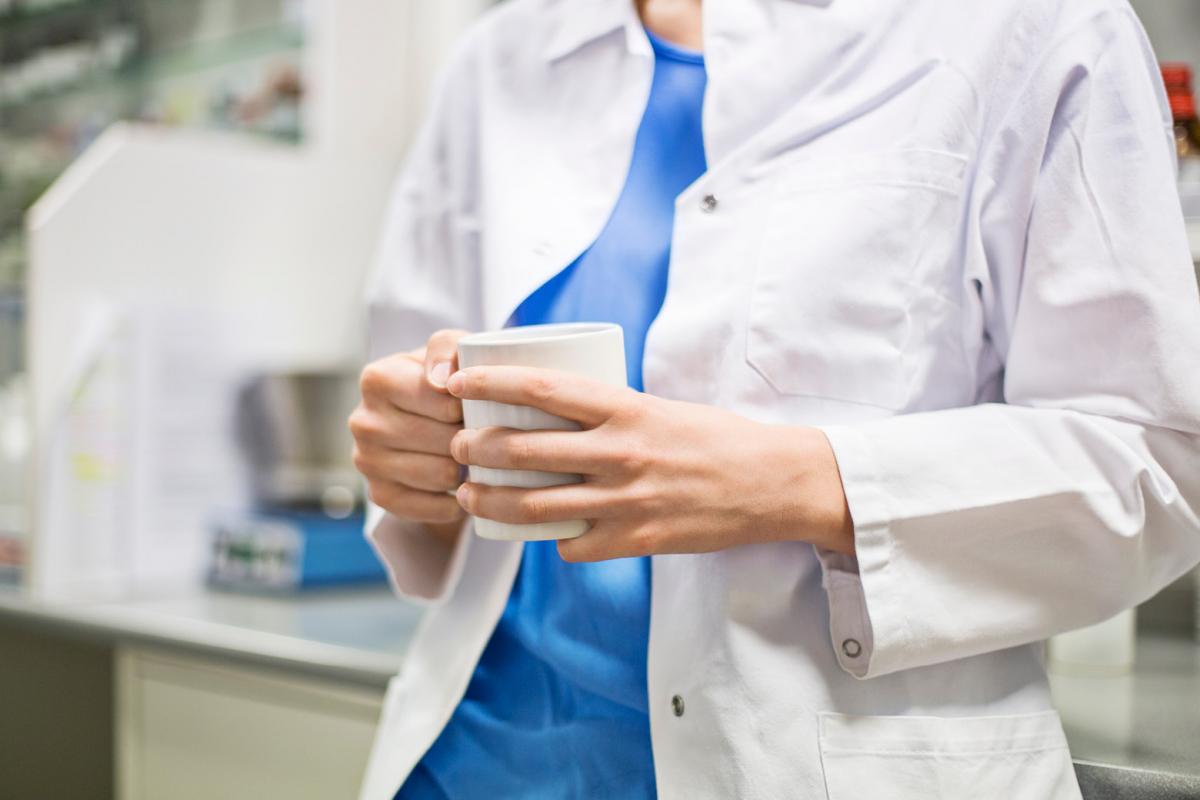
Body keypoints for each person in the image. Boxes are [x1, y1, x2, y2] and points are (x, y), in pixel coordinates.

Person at [349, 0, 1200, 797]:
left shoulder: (1034, 25)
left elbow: (1157, 464)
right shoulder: (499, 59)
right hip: (479, 762)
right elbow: (421, 420)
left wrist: (802, 481)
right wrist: (410, 460)